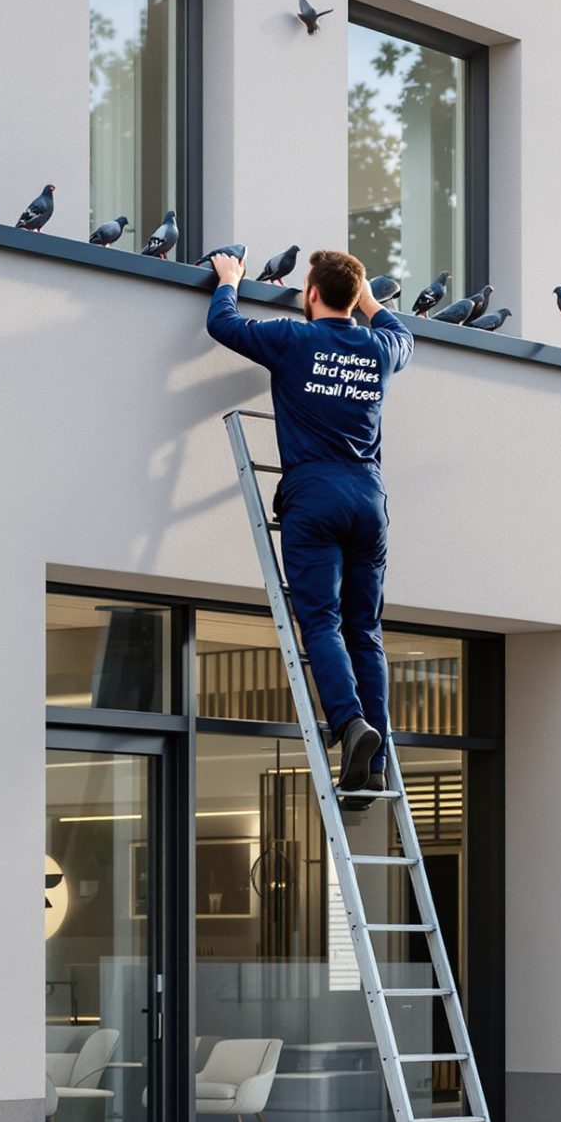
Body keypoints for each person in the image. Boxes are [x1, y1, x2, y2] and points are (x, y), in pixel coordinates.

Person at [205, 247, 413, 792]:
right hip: (369, 500)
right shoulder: (381, 348)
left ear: (311, 294)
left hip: (314, 495)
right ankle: (375, 764)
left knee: (320, 621)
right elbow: (404, 334)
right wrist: (368, 299)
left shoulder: (293, 340)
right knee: (364, 630)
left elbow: (222, 324)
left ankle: (350, 724)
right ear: (354, 297)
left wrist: (230, 278)